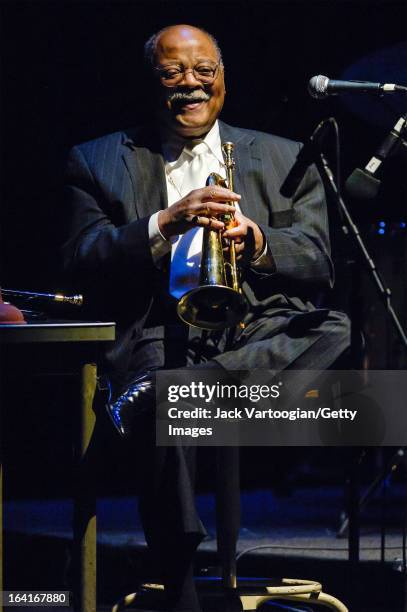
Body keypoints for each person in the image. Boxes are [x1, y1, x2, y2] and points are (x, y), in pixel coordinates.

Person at [61, 24, 350, 612]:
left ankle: (170, 392)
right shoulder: (95, 159)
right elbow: (77, 259)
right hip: (158, 326)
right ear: (153, 81)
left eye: (204, 71)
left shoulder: (284, 155)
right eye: (172, 73)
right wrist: (164, 223)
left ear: (223, 77)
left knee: (334, 327)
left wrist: (259, 241)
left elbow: (319, 260)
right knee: (172, 395)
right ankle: (181, 583)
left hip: (253, 330)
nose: (190, 85)